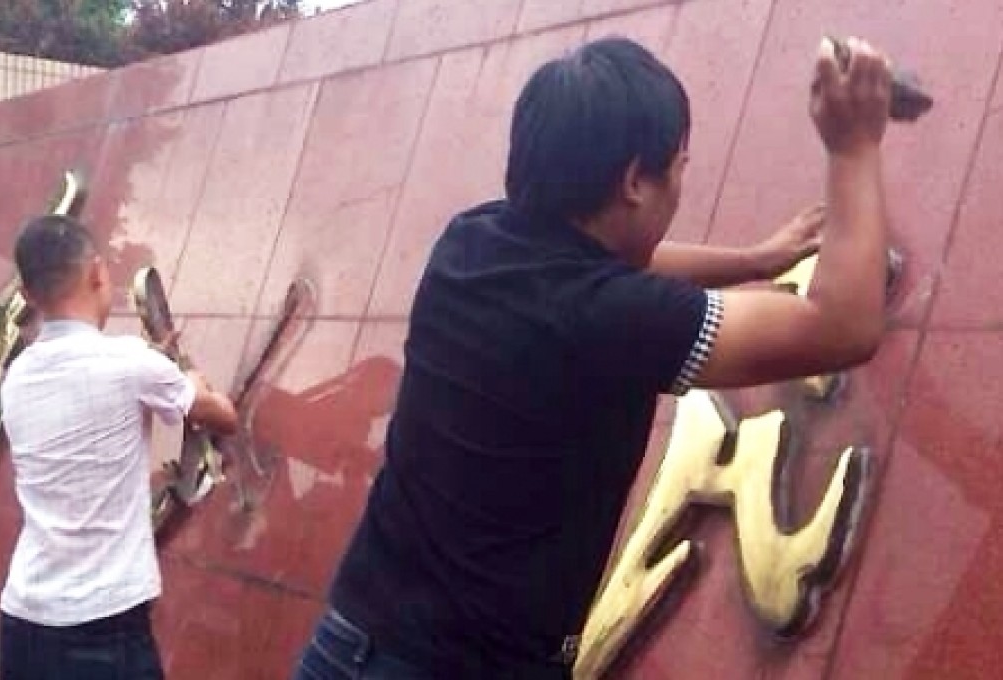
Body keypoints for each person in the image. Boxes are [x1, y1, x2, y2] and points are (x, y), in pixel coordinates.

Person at [294, 35, 892, 679]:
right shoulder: (606, 318)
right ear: (635, 180)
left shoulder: (473, 242)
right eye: (680, 167)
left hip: (351, 641)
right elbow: (840, 328)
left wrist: (754, 261)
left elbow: (619, 263)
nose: (680, 187)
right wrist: (852, 148)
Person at [0, 215, 238, 680]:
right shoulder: (130, 363)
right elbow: (221, 415)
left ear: (27, 296)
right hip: (102, 630)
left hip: (23, 624)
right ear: (97, 273)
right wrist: (184, 378)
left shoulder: (17, 378)